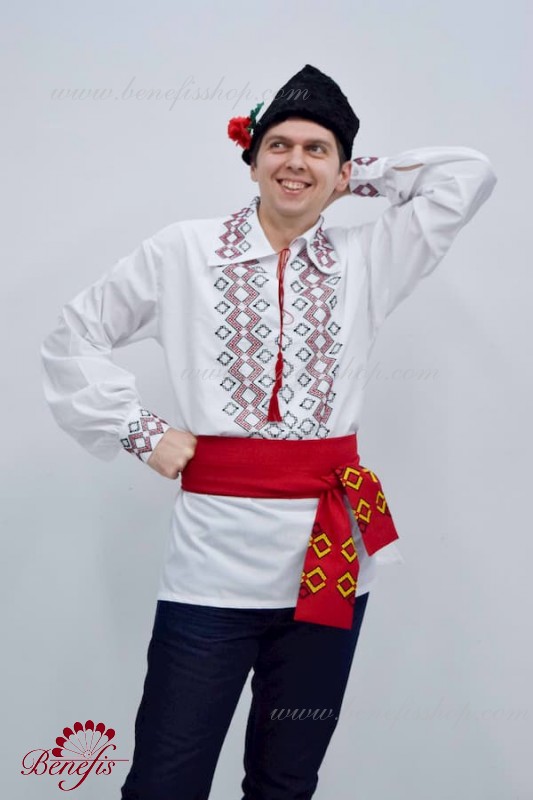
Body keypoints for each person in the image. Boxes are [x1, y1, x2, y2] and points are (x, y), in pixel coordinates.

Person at [40, 64, 497, 800]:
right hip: (210, 568)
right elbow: (72, 338)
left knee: (285, 780)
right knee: (164, 781)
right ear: (251, 159)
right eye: (278, 145)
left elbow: (467, 176)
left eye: (317, 150)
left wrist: (356, 177)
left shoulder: (369, 258)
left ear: (341, 170)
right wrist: (138, 429)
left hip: (329, 565)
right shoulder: (184, 251)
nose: (295, 162)